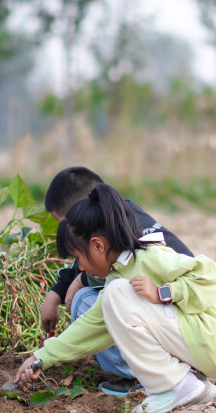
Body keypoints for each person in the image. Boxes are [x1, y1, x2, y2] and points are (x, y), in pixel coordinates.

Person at [16, 184, 216, 413]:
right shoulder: (119, 273)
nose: (79, 267)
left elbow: (211, 273)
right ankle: (189, 384)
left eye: (78, 258)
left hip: (214, 339)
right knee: (113, 295)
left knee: (115, 292)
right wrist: (40, 357)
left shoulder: (148, 257)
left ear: (97, 245)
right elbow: (89, 328)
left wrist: (163, 292)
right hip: (202, 345)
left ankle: (174, 386)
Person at [40, 166, 198, 396]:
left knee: (87, 302)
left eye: (63, 222)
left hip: (184, 325)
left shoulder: (131, 232)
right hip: (184, 324)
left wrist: (82, 280)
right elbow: (91, 263)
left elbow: (126, 272)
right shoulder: (121, 218)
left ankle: (150, 375)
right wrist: (56, 294)